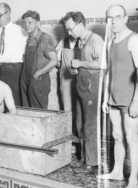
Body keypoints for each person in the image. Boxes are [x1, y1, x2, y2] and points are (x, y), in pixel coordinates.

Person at [98, 5, 138, 188]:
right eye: (109, 18)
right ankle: (117, 172)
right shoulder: (110, 41)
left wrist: (136, 102)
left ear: (125, 18)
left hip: (130, 99)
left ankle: (133, 180)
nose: (113, 21)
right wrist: (107, 96)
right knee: (117, 136)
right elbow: (109, 72)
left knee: (132, 139)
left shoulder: (134, 40)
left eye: (117, 17)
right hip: (114, 98)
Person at [61, 11, 104, 173]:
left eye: (70, 29)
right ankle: (84, 158)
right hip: (81, 85)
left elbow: (102, 63)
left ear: (80, 24)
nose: (68, 32)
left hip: (92, 87)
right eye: (67, 30)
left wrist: (79, 62)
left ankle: (92, 163)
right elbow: (84, 64)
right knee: (80, 124)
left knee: (90, 125)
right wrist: (76, 69)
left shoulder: (95, 40)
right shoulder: (80, 42)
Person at [0, 3, 28, 107]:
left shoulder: (19, 31)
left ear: (8, 13)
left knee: (14, 99)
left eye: (0, 15)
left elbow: (25, 53)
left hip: (14, 70)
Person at [20, 10, 57, 109]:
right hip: (26, 79)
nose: (26, 25)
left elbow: (54, 60)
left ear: (38, 23)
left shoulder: (45, 38)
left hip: (38, 81)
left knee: (39, 111)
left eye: (30, 23)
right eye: (25, 23)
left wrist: (37, 74)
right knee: (26, 109)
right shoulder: (29, 39)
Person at [56, 27, 82, 157]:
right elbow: (57, 61)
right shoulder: (63, 42)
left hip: (80, 79)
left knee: (79, 111)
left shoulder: (83, 42)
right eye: (67, 30)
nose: (69, 32)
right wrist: (63, 69)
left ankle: (80, 143)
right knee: (67, 109)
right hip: (65, 79)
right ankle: (69, 140)